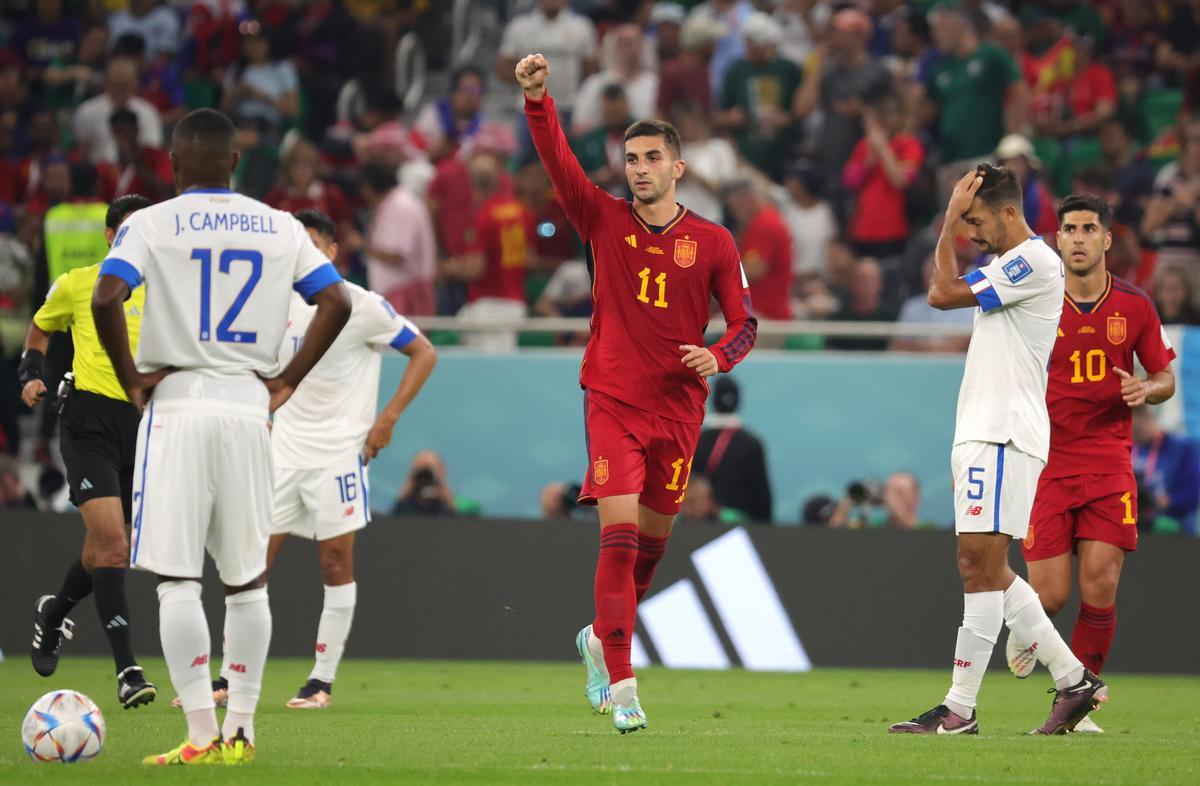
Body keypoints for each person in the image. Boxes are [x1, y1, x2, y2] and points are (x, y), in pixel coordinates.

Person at [91, 108, 351, 765]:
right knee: (245, 583)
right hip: (247, 405)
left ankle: (201, 733)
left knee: (178, 581)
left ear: (173, 166)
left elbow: (104, 297)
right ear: (235, 164)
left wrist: (130, 381)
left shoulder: (148, 223)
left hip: (177, 404)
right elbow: (338, 302)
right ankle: (243, 730)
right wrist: (287, 378)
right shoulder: (280, 225)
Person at [516, 52, 757, 733]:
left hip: (678, 412)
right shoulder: (602, 219)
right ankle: (622, 684)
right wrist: (538, 100)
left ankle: (599, 638)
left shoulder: (712, 242)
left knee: (649, 552)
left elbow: (746, 323)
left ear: (678, 167)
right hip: (613, 398)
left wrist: (716, 356)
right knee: (618, 542)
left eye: (652, 157)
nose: (640, 168)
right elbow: (560, 162)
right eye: (631, 158)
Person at [889, 164, 1104, 736]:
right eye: (965, 224)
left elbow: (939, 293)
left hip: (1004, 432)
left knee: (976, 568)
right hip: (986, 432)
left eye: (976, 221)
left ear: (1010, 213)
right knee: (986, 568)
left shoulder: (1033, 260)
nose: (971, 234)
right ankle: (1074, 680)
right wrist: (956, 217)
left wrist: (945, 220)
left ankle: (960, 709)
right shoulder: (1007, 265)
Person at [241, 208, 434, 710]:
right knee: (253, 564)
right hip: (281, 450)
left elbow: (424, 352)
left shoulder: (359, 304)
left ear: (330, 252)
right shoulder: (269, 305)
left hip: (338, 454)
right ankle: (230, 676)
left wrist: (387, 418)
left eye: (311, 246)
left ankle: (320, 681)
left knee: (334, 562)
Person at [1008, 194, 1177, 734]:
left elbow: (1166, 378)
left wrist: (1147, 388)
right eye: (1069, 229)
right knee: (1052, 595)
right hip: (1046, 463)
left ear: (1106, 239)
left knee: (1100, 584)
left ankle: (1076, 703)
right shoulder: (1037, 303)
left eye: (1088, 228)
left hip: (1107, 463)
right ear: (1057, 239)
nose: (1077, 237)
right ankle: (1028, 625)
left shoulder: (1135, 305)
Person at [19, 194, 157, 709]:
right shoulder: (79, 282)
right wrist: (31, 373)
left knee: (106, 547)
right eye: (127, 231)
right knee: (115, 547)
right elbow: (40, 326)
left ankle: (54, 612)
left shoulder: (167, 291)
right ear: (110, 237)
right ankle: (127, 671)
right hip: (88, 422)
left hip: (144, 428)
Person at [693, 376, 772, 522]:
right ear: (738, 401)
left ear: (712, 399)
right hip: (739, 529)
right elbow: (762, 498)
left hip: (696, 526)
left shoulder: (695, 440)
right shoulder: (752, 443)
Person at [1132, 405, 1200, 537]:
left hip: (1175, 533)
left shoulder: (1182, 448)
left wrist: (1158, 502)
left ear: (1148, 416)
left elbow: (1192, 496)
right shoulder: (1130, 447)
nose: (1133, 434)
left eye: (1137, 430)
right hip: (1137, 531)